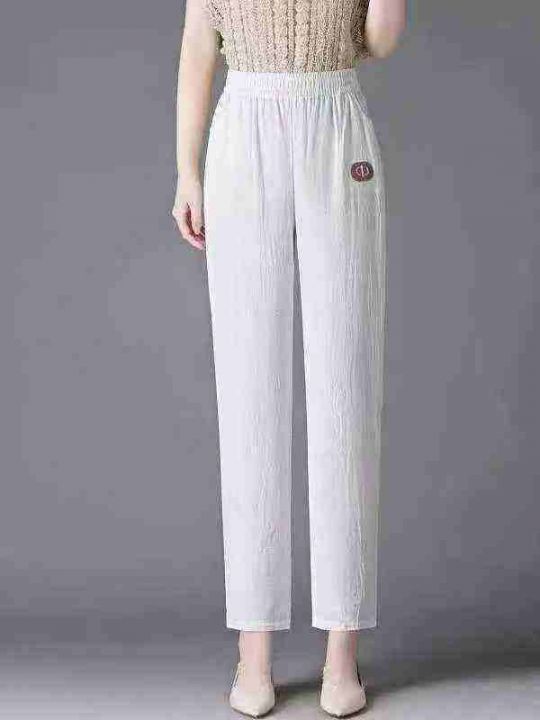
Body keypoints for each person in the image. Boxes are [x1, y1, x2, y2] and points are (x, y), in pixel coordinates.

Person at [172, 0, 406, 716]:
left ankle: (342, 655)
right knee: (249, 392)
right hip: (243, 126)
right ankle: (254, 654)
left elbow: (379, 40)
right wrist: (186, 172)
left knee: (347, 384)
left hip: (337, 121)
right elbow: (198, 45)